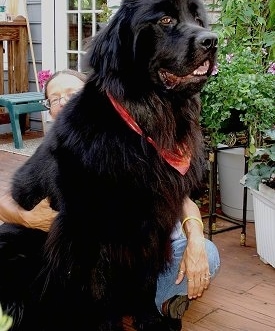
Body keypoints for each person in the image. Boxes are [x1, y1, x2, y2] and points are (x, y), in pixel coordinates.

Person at [0, 69, 220, 329]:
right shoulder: (55, 149)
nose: (64, 102)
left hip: (139, 259)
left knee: (207, 252)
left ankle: (158, 304)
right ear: (49, 110)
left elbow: (179, 198)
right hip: (75, 264)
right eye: (55, 98)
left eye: (73, 94)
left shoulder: (134, 138)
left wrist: (194, 236)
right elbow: (9, 199)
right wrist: (28, 218)